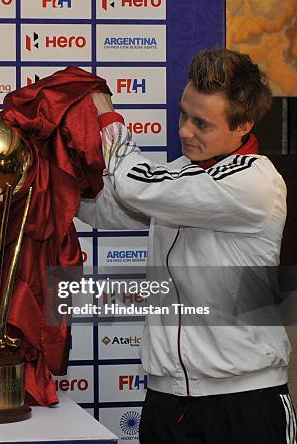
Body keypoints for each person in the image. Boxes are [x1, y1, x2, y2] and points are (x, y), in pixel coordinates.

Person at [79, 48, 295, 443]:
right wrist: (46, 183)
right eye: (183, 114)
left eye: (201, 123)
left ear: (243, 124)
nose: (184, 131)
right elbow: (111, 210)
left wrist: (106, 118)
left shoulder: (255, 181)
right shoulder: (180, 173)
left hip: (246, 400)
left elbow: (134, 186)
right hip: (167, 397)